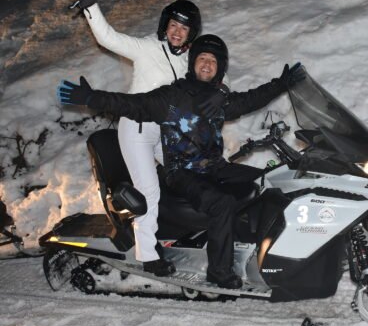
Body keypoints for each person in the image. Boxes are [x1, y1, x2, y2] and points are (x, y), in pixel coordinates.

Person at [57, 34, 305, 288]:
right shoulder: (171, 98)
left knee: (269, 181)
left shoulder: (218, 100)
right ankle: (219, 271)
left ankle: (268, 251)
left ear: (220, 68)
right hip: (182, 173)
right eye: (202, 58)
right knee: (221, 203)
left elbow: (251, 99)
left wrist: (281, 83)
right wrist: (91, 98)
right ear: (193, 62)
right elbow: (133, 104)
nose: (207, 64)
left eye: (213, 61)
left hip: (215, 167)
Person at [61, 0, 202, 277]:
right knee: (149, 190)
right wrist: (88, 3)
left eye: (184, 28)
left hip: (166, 132)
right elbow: (108, 38)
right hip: (136, 129)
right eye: (173, 25)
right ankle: (148, 255)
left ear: (191, 33)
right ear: (165, 25)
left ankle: (186, 229)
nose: (177, 32)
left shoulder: (189, 61)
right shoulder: (147, 48)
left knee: (191, 174)